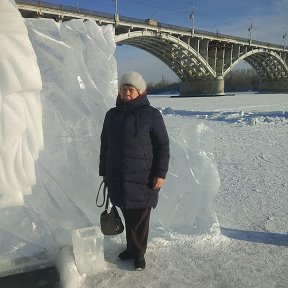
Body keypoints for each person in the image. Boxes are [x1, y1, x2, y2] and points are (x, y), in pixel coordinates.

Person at [99, 71, 170, 271]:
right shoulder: (111, 115)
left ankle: (138, 254)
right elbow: (105, 145)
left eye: (131, 89)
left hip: (143, 176)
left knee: (140, 217)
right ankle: (131, 249)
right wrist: (104, 171)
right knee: (128, 213)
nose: (126, 93)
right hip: (117, 175)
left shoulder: (151, 114)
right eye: (123, 89)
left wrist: (160, 173)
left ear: (140, 92)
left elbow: (162, 145)